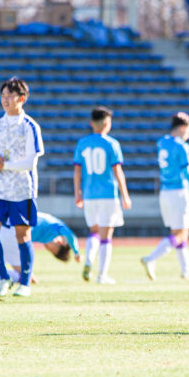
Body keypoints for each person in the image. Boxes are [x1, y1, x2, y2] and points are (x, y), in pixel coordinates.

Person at [0, 76, 44, 297]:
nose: (5, 100)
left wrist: (2, 165)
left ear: (21, 98)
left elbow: (30, 162)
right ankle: (4, 277)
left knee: (22, 236)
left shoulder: (30, 126)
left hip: (22, 190)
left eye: (10, 96)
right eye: (3, 95)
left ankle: (24, 283)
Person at [141, 112, 189, 280]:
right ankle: (150, 259)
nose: (188, 135)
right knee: (180, 234)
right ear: (182, 128)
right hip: (178, 192)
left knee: (180, 232)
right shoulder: (181, 146)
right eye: (188, 131)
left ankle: (186, 269)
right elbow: (187, 172)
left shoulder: (162, 142)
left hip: (165, 191)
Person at [73, 106, 132, 284]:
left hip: (90, 194)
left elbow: (77, 171)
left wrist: (78, 193)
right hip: (107, 194)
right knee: (106, 236)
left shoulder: (82, 143)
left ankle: (89, 260)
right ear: (107, 123)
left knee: (94, 232)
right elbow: (118, 172)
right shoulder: (112, 144)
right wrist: (125, 195)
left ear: (92, 123)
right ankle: (102, 275)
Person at [0, 211, 80, 284]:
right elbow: (70, 234)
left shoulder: (46, 223)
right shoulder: (56, 227)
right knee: (26, 277)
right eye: (53, 250)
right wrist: (77, 252)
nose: (48, 249)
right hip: (13, 234)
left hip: (0, 230)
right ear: (60, 243)